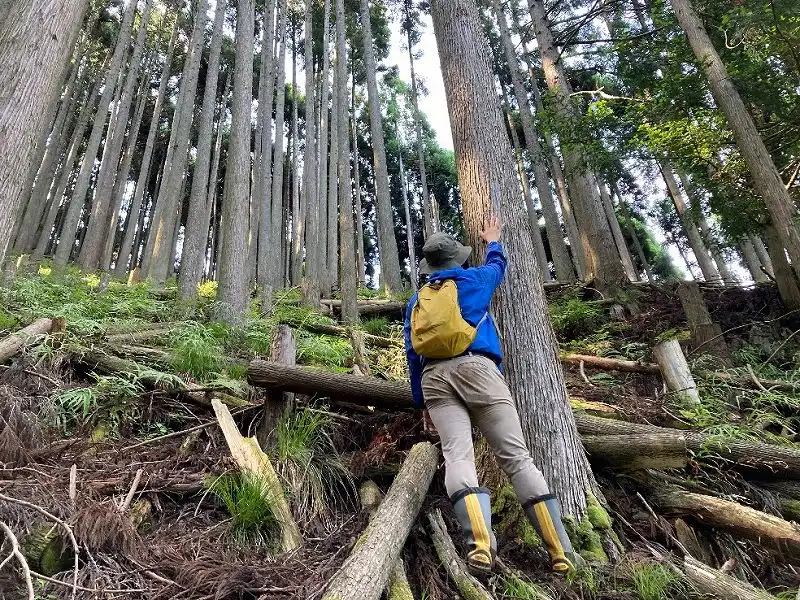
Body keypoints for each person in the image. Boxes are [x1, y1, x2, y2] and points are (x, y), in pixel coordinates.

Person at [403, 216, 575, 574]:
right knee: (517, 458)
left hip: (435, 377)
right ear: (457, 259)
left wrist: (421, 400)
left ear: (430, 265)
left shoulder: (418, 300)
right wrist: (493, 239)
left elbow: (411, 350)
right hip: (478, 370)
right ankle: (560, 553)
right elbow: (498, 266)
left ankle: (480, 546)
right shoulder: (474, 279)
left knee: (457, 457)